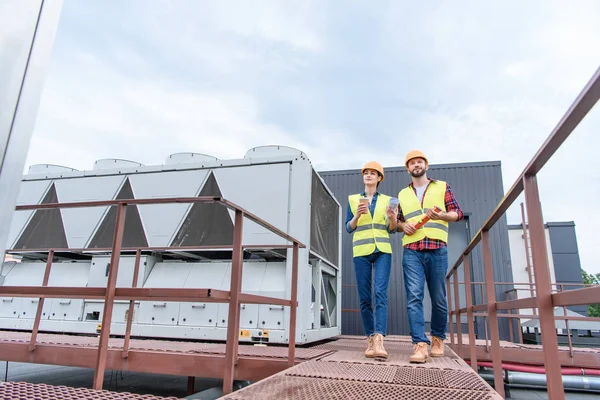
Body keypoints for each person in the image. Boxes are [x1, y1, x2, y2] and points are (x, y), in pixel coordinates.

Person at [396, 150, 463, 363]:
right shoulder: (403, 194)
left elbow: (456, 213)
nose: (416, 165)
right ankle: (419, 344)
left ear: (427, 165)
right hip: (412, 250)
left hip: (436, 248)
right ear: (408, 169)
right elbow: (397, 223)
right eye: (412, 163)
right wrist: (401, 225)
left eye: (420, 162)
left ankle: (437, 339)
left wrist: (442, 215)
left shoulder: (442, 186)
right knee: (414, 297)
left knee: (439, 299)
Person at [346, 161, 397, 359]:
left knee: (380, 293)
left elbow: (391, 228)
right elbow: (349, 227)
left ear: (379, 178)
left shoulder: (387, 200)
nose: (368, 175)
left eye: (372, 173)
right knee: (365, 297)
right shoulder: (353, 199)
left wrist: (392, 217)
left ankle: (379, 339)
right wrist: (357, 216)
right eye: (365, 173)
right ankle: (369, 338)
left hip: (383, 249)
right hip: (361, 251)